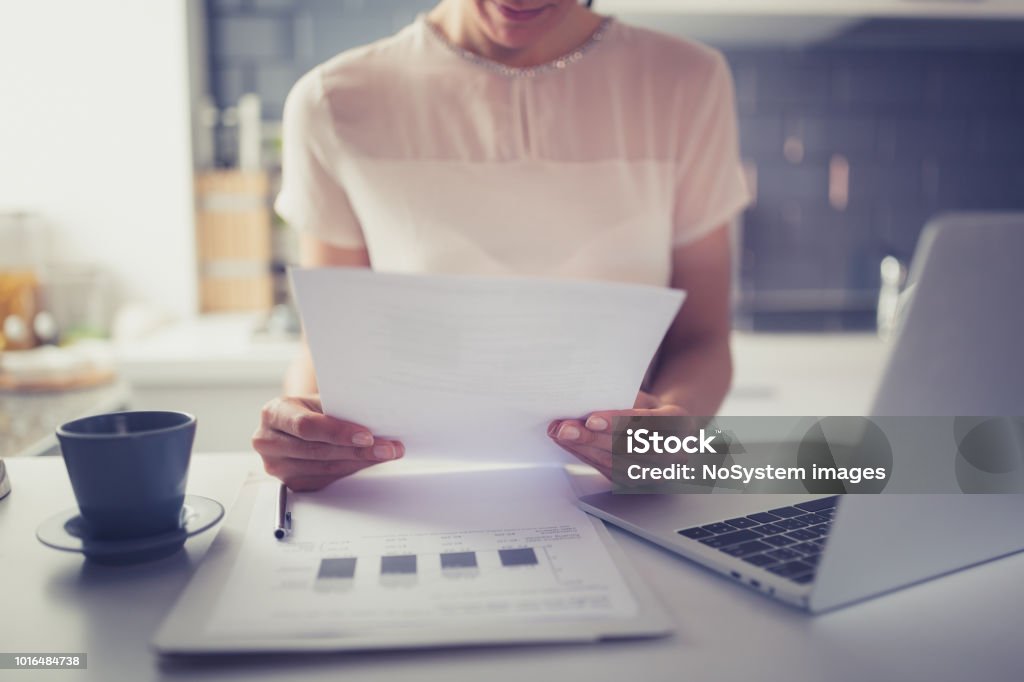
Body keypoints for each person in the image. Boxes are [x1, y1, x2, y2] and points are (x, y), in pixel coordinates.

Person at [253, 0, 750, 491]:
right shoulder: (331, 101)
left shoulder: (686, 80)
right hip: (411, 495)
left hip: (620, 499)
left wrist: (673, 432)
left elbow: (702, 340)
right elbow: (329, 351)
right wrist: (308, 441)